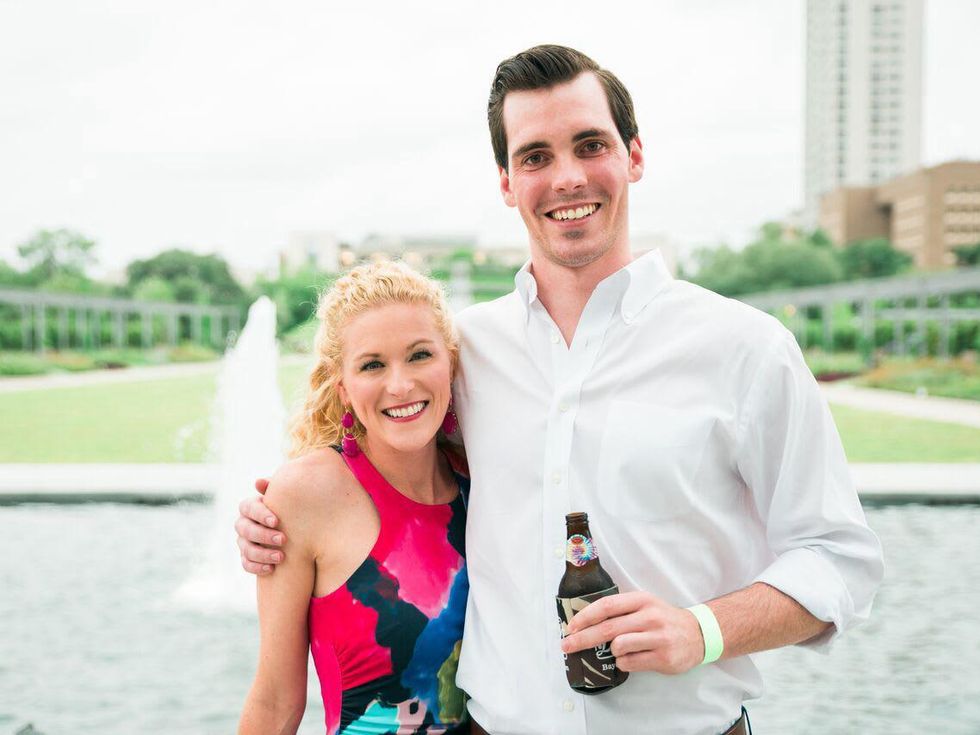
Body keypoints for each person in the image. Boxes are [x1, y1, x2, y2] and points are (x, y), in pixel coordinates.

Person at [237, 45, 884, 735]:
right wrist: (273, 517)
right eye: (536, 156)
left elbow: (839, 561)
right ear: (507, 182)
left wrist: (702, 629)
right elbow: (374, 450)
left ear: (634, 155)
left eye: (590, 144)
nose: (568, 177)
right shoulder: (466, 352)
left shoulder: (746, 349)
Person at [238, 260, 471, 735]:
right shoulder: (306, 495)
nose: (400, 384)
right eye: (372, 365)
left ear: (450, 360)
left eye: (420, 355)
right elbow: (276, 702)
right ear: (343, 388)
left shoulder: (483, 483)